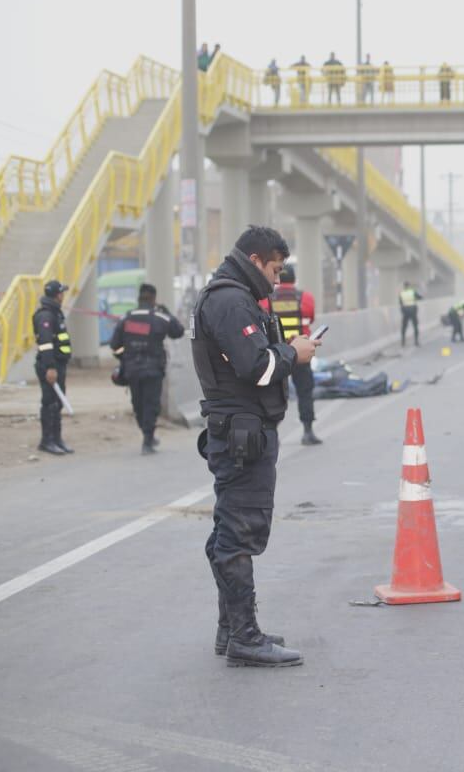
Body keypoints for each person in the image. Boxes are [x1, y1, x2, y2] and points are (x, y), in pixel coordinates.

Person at [193, 226, 319, 668]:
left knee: (231, 530)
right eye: (275, 269)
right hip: (242, 432)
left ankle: (231, 630)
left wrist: (287, 350)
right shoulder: (230, 300)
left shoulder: (236, 296)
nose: (277, 279)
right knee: (238, 534)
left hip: (242, 428)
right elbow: (255, 366)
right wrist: (293, 354)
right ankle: (245, 637)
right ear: (255, 258)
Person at [109, 283, 184, 454]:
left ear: (139, 298)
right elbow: (178, 331)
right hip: (153, 370)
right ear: (153, 299)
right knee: (151, 404)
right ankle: (148, 439)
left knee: (138, 404)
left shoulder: (126, 318)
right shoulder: (160, 317)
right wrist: (167, 313)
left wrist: (124, 358)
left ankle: (147, 434)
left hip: (132, 370)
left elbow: (114, 345)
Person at [260, 264, 322, 446]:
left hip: (278, 353)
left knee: (275, 393)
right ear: (294, 279)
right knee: (305, 391)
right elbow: (310, 318)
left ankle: (273, 434)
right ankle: (308, 432)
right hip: (300, 352)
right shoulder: (306, 298)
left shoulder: (267, 299)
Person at [32, 279, 74, 456]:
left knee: (57, 403)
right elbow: (46, 343)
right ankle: (47, 441)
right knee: (49, 403)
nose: (63, 295)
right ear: (58, 295)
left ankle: (57, 439)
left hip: (58, 364)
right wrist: (50, 367)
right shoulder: (46, 316)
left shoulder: (55, 313)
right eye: (62, 292)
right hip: (50, 365)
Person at [399, 280, 423, 347]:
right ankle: (416, 341)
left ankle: (403, 342)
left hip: (405, 311)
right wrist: (416, 299)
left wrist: (402, 310)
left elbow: (400, 302)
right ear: (409, 286)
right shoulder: (412, 292)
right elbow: (420, 297)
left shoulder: (401, 293)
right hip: (412, 310)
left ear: (404, 286)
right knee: (415, 326)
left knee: (404, 327)